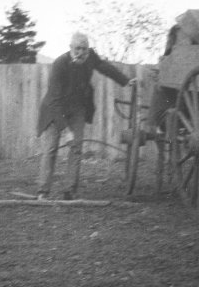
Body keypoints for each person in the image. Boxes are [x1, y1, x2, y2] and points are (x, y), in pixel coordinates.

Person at [36, 32, 136, 200]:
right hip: (55, 108)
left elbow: (105, 68)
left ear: (88, 50)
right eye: (77, 49)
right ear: (70, 48)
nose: (80, 52)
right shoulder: (60, 64)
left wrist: (126, 81)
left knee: (76, 148)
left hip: (77, 108)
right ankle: (43, 191)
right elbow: (54, 101)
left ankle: (69, 191)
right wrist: (66, 130)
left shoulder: (90, 57)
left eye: (84, 49)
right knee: (51, 149)